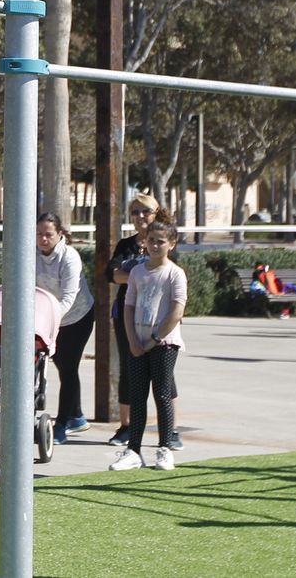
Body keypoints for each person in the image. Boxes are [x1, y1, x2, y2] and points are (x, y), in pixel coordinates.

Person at [108, 215, 187, 473]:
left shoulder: (175, 274)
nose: (154, 245)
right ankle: (133, 450)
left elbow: (176, 311)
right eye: (151, 240)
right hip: (137, 343)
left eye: (160, 241)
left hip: (164, 344)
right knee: (137, 395)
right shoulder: (137, 272)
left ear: (171, 244)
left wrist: (154, 339)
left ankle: (164, 448)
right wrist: (133, 340)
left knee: (162, 394)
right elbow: (128, 306)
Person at [36, 211, 93, 444]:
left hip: (77, 317)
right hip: (48, 319)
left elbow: (69, 298)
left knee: (68, 368)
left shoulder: (70, 257)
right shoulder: (31, 254)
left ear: (60, 234)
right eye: (39, 234)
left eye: (48, 234)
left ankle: (61, 425)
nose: (43, 239)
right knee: (61, 365)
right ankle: (77, 416)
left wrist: (48, 320)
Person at [108, 193, 156, 445]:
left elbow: (168, 272)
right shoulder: (125, 245)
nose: (140, 216)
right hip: (127, 313)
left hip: (157, 315)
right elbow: (112, 274)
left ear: (155, 213)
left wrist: (132, 274)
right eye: (135, 212)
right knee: (128, 368)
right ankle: (126, 426)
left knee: (162, 372)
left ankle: (170, 430)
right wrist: (142, 275)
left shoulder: (163, 240)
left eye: (145, 211)